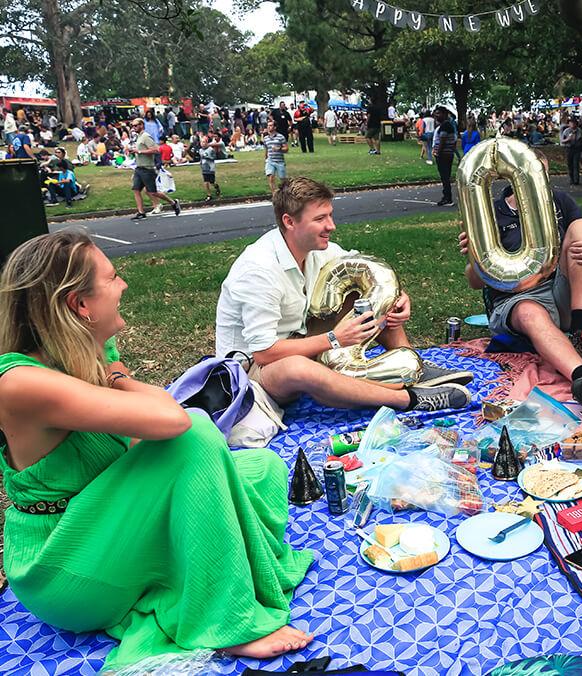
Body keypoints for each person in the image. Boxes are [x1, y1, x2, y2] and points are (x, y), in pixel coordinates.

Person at [0, 231, 316, 670]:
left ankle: (188, 575)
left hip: (112, 525)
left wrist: (107, 364)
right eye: (112, 278)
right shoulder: (21, 383)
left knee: (260, 467)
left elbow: (139, 442)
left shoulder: (78, 355)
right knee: (195, 436)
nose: (124, 285)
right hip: (64, 564)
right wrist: (113, 371)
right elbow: (175, 422)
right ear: (80, 305)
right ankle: (227, 623)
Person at [216, 177, 473, 413]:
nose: (331, 226)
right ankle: (410, 399)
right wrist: (334, 339)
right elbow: (264, 352)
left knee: (371, 298)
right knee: (300, 369)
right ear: (289, 221)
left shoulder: (317, 249)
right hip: (253, 372)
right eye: (320, 219)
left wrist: (398, 298)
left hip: (303, 340)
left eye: (330, 215)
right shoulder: (258, 269)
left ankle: (415, 369)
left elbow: (369, 273)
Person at [458, 151, 582, 413]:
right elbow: (474, 282)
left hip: (564, 291)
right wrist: (476, 257)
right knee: (530, 312)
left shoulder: (559, 201)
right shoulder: (493, 212)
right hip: (517, 299)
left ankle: (581, 333)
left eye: (544, 175)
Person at [128, 118, 180, 221]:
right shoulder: (138, 137)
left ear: (141, 125)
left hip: (147, 168)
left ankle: (173, 202)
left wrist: (139, 151)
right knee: (136, 189)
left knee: (153, 192)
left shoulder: (146, 137)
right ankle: (141, 212)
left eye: (135, 125)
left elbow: (156, 150)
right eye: (132, 126)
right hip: (139, 167)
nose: (134, 128)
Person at [433, 107, 458, 207]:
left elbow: (443, 139)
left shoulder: (445, 126)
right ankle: (447, 197)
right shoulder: (448, 125)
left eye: (438, 113)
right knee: (445, 177)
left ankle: (447, 198)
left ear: (444, 114)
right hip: (448, 153)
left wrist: (438, 153)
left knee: (445, 177)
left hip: (444, 155)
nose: (436, 116)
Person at [264, 124, 288, 192]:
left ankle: (285, 194)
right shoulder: (266, 138)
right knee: (270, 177)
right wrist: (266, 158)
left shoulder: (280, 137)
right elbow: (266, 149)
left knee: (283, 180)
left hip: (279, 161)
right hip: (270, 160)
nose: (268, 127)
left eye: (271, 125)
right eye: (268, 126)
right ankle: (274, 195)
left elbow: (286, 149)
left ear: (275, 127)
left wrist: (279, 148)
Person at [200, 131, 223, 201]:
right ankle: (209, 195)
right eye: (201, 142)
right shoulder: (200, 150)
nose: (202, 144)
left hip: (210, 167)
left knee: (212, 182)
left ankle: (216, 187)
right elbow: (201, 158)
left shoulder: (211, 150)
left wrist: (207, 157)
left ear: (207, 143)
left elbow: (214, 157)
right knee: (206, 182)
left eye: (204, 142)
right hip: (204, 168)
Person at [561, 117, 582, 186]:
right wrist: (568, 139)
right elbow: (562, 141)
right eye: (571, 123)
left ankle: (576, 180)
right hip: (569, 148)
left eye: (574, 123)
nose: (572, 125)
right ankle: (571, 179)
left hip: (576, 149)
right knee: (570, 164)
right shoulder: (566, 131)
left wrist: (579, 141)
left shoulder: (579, 131)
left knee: (576, 164)